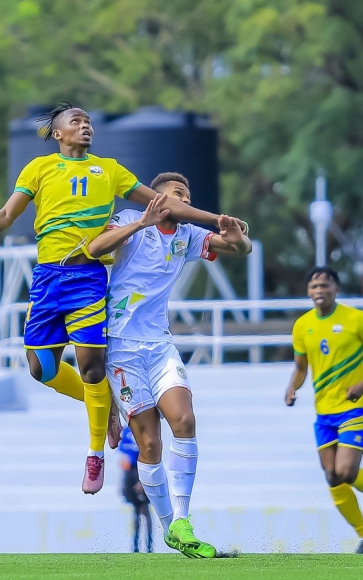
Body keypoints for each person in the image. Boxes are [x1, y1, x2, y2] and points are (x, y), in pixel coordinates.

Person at [0, 103, 232, 494]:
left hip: (87, 275)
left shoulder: (110, 169)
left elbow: (163, 205)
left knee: (91, 367)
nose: (85, 126)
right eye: (77, 121)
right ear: (58, 133)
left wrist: (215, 220)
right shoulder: (38, 169)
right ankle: (104, 411)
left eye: (88, 121)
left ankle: (95, 454)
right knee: (40, 367)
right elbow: (6, 215)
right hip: (47, 276)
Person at [87, 171, 252, 558]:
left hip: (160, 344)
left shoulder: (188, 235)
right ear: (156, 199)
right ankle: (170, 530)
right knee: (149, 442)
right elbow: (94, 248)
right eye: (178, 194)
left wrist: (236, 234)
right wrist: (142, 222)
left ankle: (182, 519)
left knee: (185, 420)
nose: (184, 201)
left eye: (188, 196)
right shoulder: (130, 220)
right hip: (122, 348)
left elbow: (240, 249)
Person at [284, 267, 363, 554]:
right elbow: (300, 366)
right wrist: (292, 387)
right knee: (333, 476)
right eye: (314, 286)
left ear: (335, 289)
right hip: (324, 412)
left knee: (346, 471)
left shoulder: (355, 319)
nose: (319, 291)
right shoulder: (302, 325)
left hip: (354, 407)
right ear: (308, 292)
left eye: (324, 285)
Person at [119, 428, 154, 553]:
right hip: (131, 473)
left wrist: (142, 481)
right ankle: (135, 546)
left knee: (145, 510)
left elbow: (149, 453)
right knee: (136, 511)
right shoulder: (127, 431)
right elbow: (124, 454)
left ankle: (149, 545)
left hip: (142, 470)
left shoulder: (144, 429)